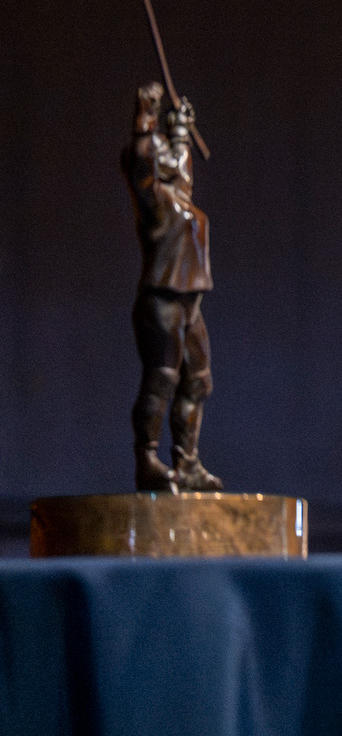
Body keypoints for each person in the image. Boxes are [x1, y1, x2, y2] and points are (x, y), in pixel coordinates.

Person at [122, 83, 223, 493]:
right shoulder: (156, 202)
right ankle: (147, 459)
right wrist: (146, 121)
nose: (177, 161)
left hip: (190, 306)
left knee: (198, 381)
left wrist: (180, 127)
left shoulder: (183, 199)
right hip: (161, 305)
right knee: (162, 378)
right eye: (167, 154)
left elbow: (183, 163)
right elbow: (141, 164)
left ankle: (188, 463)